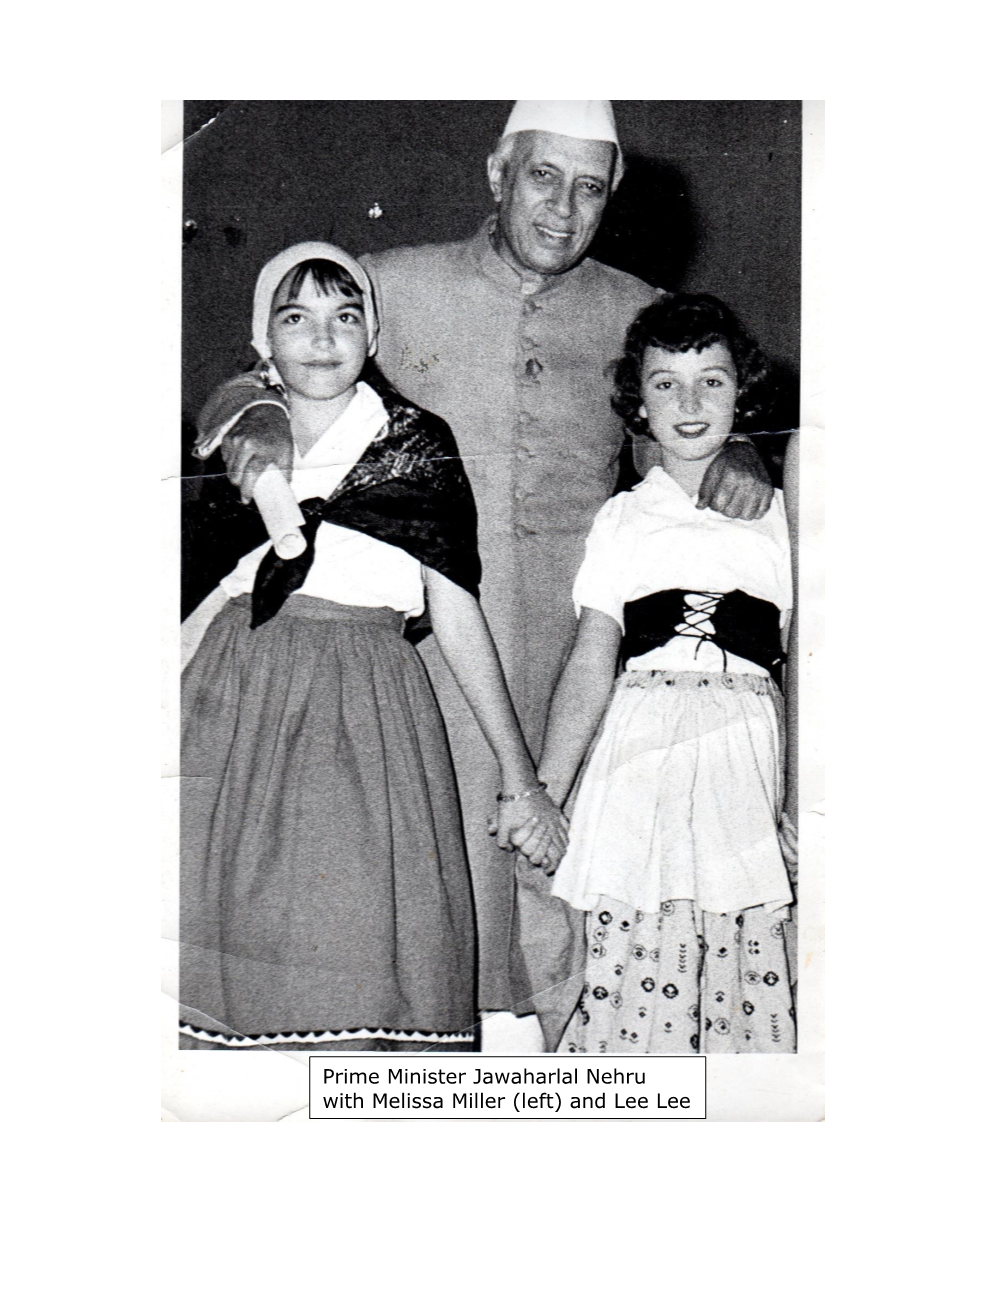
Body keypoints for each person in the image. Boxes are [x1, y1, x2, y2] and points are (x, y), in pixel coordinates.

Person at [191, 102, 775, 1052]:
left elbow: (684, 417)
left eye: (590, 188)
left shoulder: (634, 310)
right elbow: (264, 366)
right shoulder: (387, 283)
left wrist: (739, 450)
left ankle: (570, 1058)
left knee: (566, 855)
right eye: (543, 177)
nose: (562, 208)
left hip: (571, 641)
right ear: (499, 171)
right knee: (410, 874)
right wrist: (252, 416)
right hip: (416, 649)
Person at [179, 242, 566, 1052]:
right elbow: (209, 590)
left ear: (375, 334)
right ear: (264, 339)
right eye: (297, 318)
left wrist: (520, 776)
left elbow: (457, 611)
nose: (322, 338)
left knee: (358, 957)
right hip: (237, 700)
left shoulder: (417, 444)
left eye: (344, 316)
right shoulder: (230, 444)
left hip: (366, 714)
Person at [536, 293, 796, 1054]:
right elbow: (591, 658)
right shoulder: (621, 517)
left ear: (741, 392)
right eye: (665, 384)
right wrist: (546, 795)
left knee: (739, 959)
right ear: (637, 403)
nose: (689, 403)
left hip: (742, 749)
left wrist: (800, 802)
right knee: (630, 948)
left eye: (711, 381)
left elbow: (810, 658)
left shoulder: (786, 511)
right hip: (637, 752)